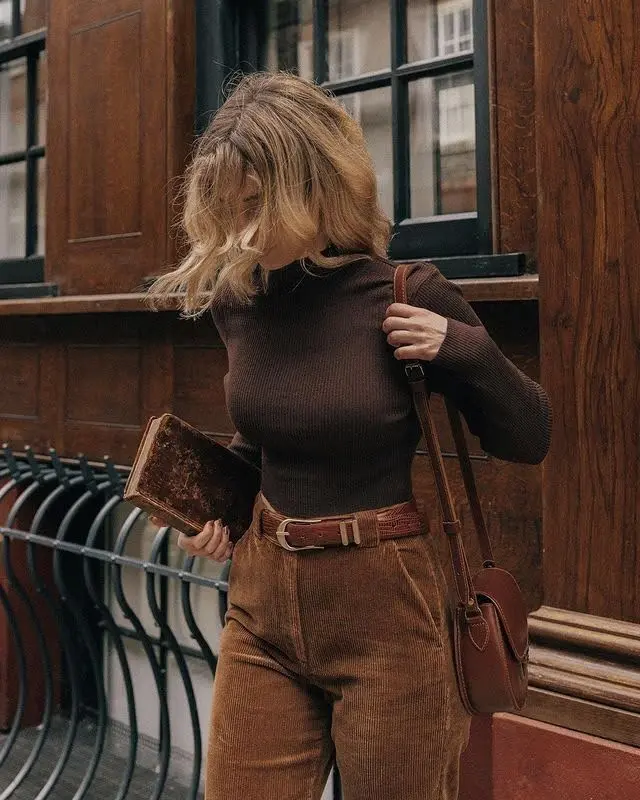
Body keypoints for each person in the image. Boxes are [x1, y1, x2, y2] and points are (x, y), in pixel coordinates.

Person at [148, 71, 551, 800]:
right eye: (228, 209)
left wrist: (462, 348)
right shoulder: (239, 302)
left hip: (386, 610)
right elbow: (267, 442)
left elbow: (531, 435)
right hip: (263, 601)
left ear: (317, 183)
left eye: (256, 205)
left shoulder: (406, 292)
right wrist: (217, 514)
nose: (241, 231)